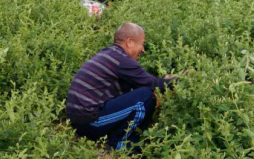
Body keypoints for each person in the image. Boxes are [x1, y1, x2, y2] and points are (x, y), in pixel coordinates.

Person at [66, 22, 178, 152]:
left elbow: (147, 81)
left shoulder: (109, 54)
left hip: (80, 122)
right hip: (89, 123)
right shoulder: (121, 60)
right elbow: (152, 85)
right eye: (142, 43)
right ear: (129, 42)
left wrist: (163, 81)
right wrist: (181, 79)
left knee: (141, 93)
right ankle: (118, 144)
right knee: (146, 96)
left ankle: (122, 138)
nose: (143, 49)